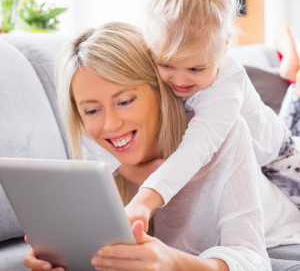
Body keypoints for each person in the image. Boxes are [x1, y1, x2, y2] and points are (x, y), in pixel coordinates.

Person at [23, 22, 300, 271]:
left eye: (125, 101)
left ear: (160, 89)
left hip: (289, 195)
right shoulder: (92, 146)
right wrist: (62, 250)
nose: (111, 125)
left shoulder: (222, 132)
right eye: (93, 111)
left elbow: (254, 261)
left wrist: (175, 263)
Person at [124, 0, 300, 230]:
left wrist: (145, 200)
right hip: (257, 149)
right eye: (166, 64)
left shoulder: (227, 83)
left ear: (225, 46)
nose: (180, 80)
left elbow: (198, 147)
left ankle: (291, 63)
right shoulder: (154, 59)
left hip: (282, 157)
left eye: (196, 69)